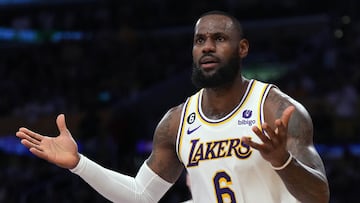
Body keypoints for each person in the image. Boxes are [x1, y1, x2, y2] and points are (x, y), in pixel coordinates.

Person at [16, 10, 330, 203]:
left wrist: (282, 161)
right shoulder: (177, 121)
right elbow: (141, 196)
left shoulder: (275, 109)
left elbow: (319, 196)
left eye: (219, 38)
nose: (207, 46)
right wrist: (78, 164)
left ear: (242, 48)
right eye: (199, 40)